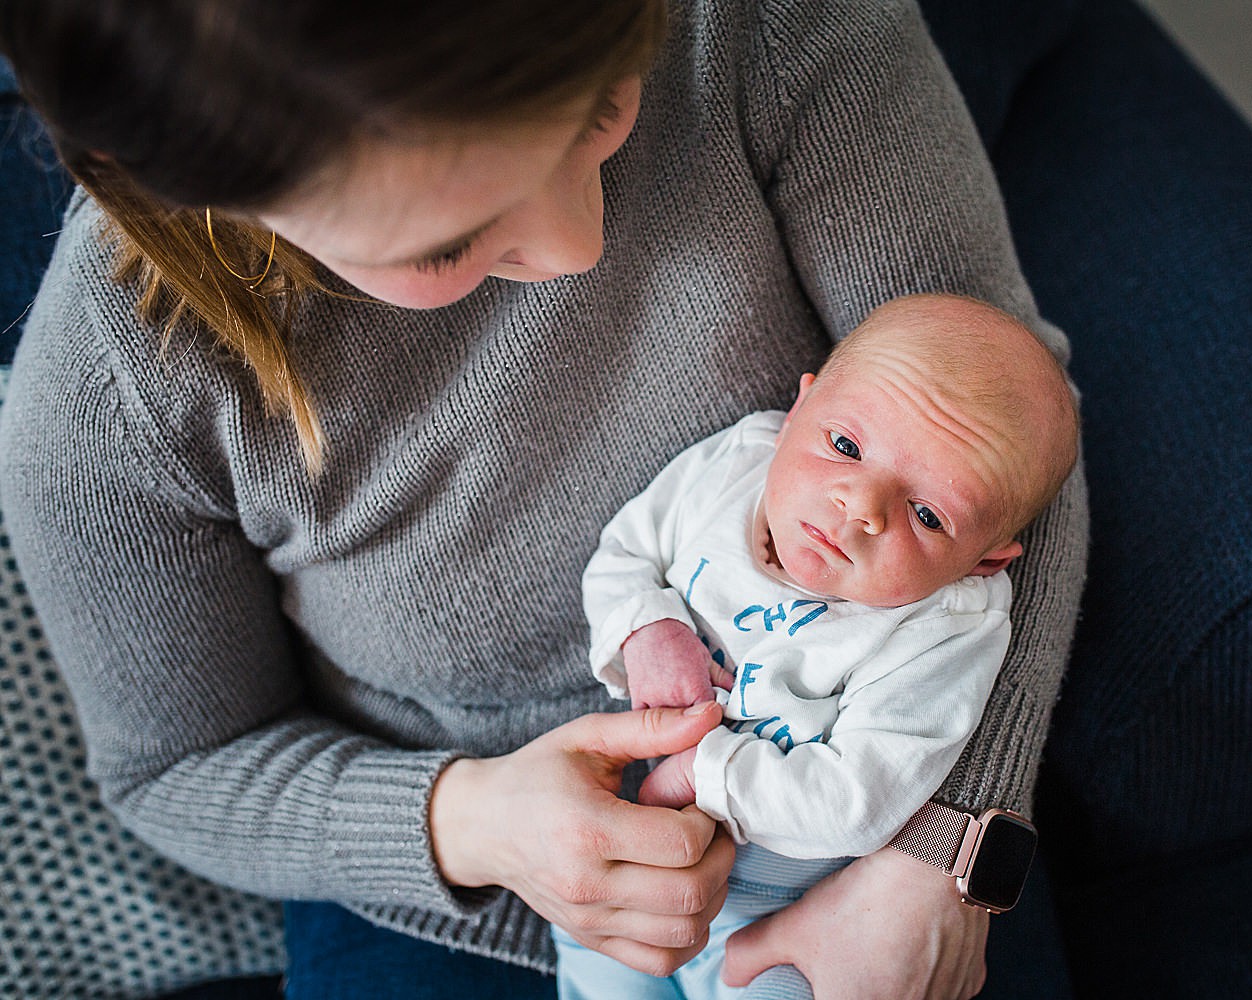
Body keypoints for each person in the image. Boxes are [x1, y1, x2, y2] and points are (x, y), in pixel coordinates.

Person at [0, 2, 1087, 997]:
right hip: (462, 882)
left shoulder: (755, 22)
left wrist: (939, 851)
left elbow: (1003, 451)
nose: (580, 246)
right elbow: (179, 768)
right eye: (446, 242)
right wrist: (469, 821)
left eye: (600, 106)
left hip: (856, 825)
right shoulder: (107, 396)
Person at [554, 292, 1078, 999]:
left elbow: (855, 803)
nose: (860, 508)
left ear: (985, 560)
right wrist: (649, 629)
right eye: (845, 446)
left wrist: (706, 771)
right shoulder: (733, 465)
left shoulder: (947, 626)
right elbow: (621, 554)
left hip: (790, 913)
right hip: (636, 871)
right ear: (798, 410)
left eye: (927, 515)